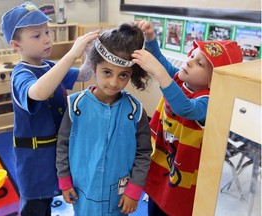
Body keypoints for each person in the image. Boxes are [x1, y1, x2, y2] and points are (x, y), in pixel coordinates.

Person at [131, 20, 243, 216]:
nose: (189, 61)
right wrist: (150, 38)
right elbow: (159, 59)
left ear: (215, 79)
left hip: (181, 175)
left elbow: (185, 108)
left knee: (172, 207)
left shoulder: (209, 101)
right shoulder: (180, 80)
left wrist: (158, 70)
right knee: (155, 201)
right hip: (162, 163)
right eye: (191, 55)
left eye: (199, 63)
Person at [0, 2, 99, 216]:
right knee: (35, 208)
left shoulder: (50, 66)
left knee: (54, 201)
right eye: (36, 36)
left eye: (47, 32)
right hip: (34, 160)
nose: (47, 39)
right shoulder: (21, 74)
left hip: (58, 153)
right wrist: (72, 54)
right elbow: (38, 92)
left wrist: (92, 53)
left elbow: (83, 75)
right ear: (17, 45)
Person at [56, 23, 153, 216]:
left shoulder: (135, 111)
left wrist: (134, 191)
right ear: (93, 66)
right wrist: (64, 181)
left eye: (123, 75)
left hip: (119, 196)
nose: (114, 82)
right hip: (82, 190)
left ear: (131, 74)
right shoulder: (75, 106)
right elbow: (62, 146)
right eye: (107, 72)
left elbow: (143, 153)